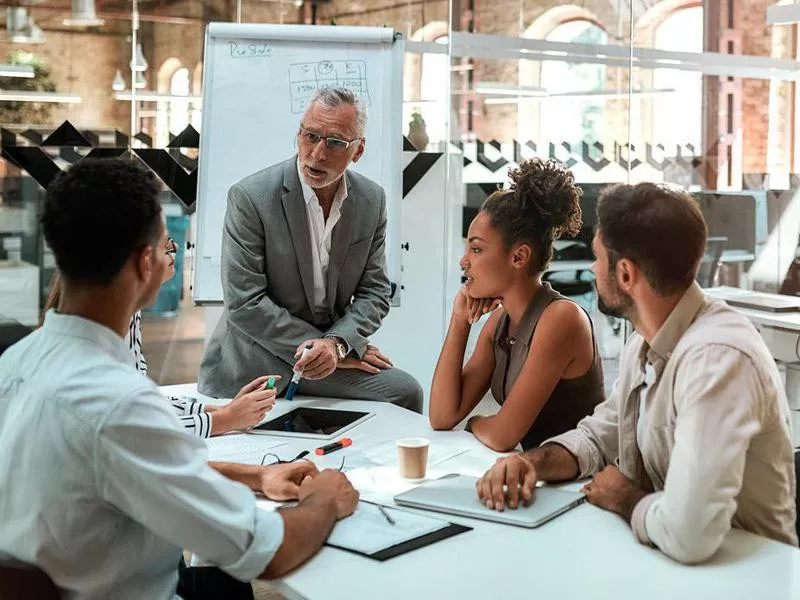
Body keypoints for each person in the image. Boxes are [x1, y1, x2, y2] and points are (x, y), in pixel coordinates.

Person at [0, 158, 359, 599]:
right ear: (143, 262)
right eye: (166, 243)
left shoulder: (13, 365)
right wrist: (324, 498)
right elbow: (268, 551)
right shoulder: (119, 404)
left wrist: (254, 476)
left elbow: (124, 467)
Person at [475, 182, 798, 563]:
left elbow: (689, 534)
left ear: (625, 274)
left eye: (597, 257)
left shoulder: (716, 359)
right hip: (667, 562)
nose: (593, 268)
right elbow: (598, 437)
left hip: (744, 573)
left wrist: (624, 497)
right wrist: (530, 463)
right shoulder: (644, 342)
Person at [199, 86, 423, 413]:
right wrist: (325, 350)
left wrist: (337, 344)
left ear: (358, 151)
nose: (317, 154)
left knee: (405, 392)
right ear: (298, 133)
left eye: (335, 143)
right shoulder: (250, 198)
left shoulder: (371, 200)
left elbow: (375, 290)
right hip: (255, 359)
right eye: (310, 136)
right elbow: (245, 302)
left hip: (329, 352)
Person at [429, 159, 604, 451]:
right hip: (534, 477)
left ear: (519, 257)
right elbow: (442, 416)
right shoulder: (499, 322)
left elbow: (501, 436)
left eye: (476, 248)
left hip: (580, 484)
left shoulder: (561, 318)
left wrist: (475, 422)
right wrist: (460, 320)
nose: (464, 261)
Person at [44, 265, 275, 439]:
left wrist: (219, 410)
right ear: (141, 257)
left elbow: (141, 401)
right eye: (165, 244)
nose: (174, 250)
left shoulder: (124, 315)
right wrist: (223, 420)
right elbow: (135, 432)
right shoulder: (97, 339)